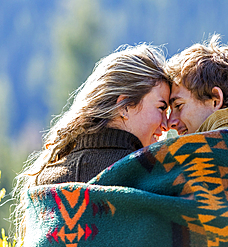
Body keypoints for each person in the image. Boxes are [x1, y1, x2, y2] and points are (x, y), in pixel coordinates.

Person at [12, 43, 171, 245]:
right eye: (161, 107)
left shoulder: (45, 180)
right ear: (125, 106)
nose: (166, 125)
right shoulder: (153, 179)